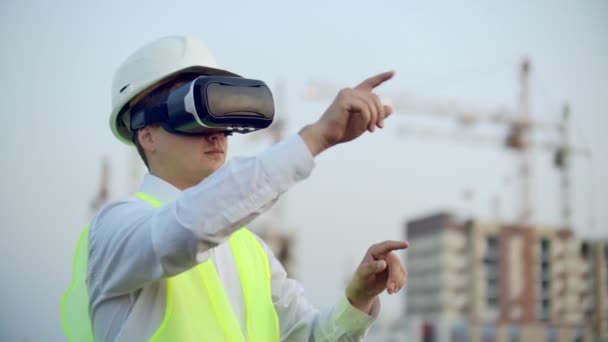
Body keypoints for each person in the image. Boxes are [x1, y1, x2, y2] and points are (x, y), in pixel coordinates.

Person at [62, 35, 408, 342]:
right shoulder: (117, 228)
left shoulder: (251, 251)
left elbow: (310, 335)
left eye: (219, 114)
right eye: (192, 113)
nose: (215, 132)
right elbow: (186, 228)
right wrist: (314, 138)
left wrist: (358, 298)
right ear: (146, 133)